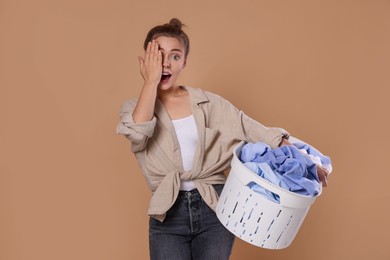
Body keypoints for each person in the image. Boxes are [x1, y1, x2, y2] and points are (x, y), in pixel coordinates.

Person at [116, 18, 329, 260]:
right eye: (158, 55)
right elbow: (137, 132)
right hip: (167, 214)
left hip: (214, 207)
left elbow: (248, 127)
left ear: (184, 62)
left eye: (175, 56)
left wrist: (303, 158)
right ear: (145, 61)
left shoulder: (208, 103)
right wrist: (150, 81)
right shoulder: (134, 109)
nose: (166, 63)